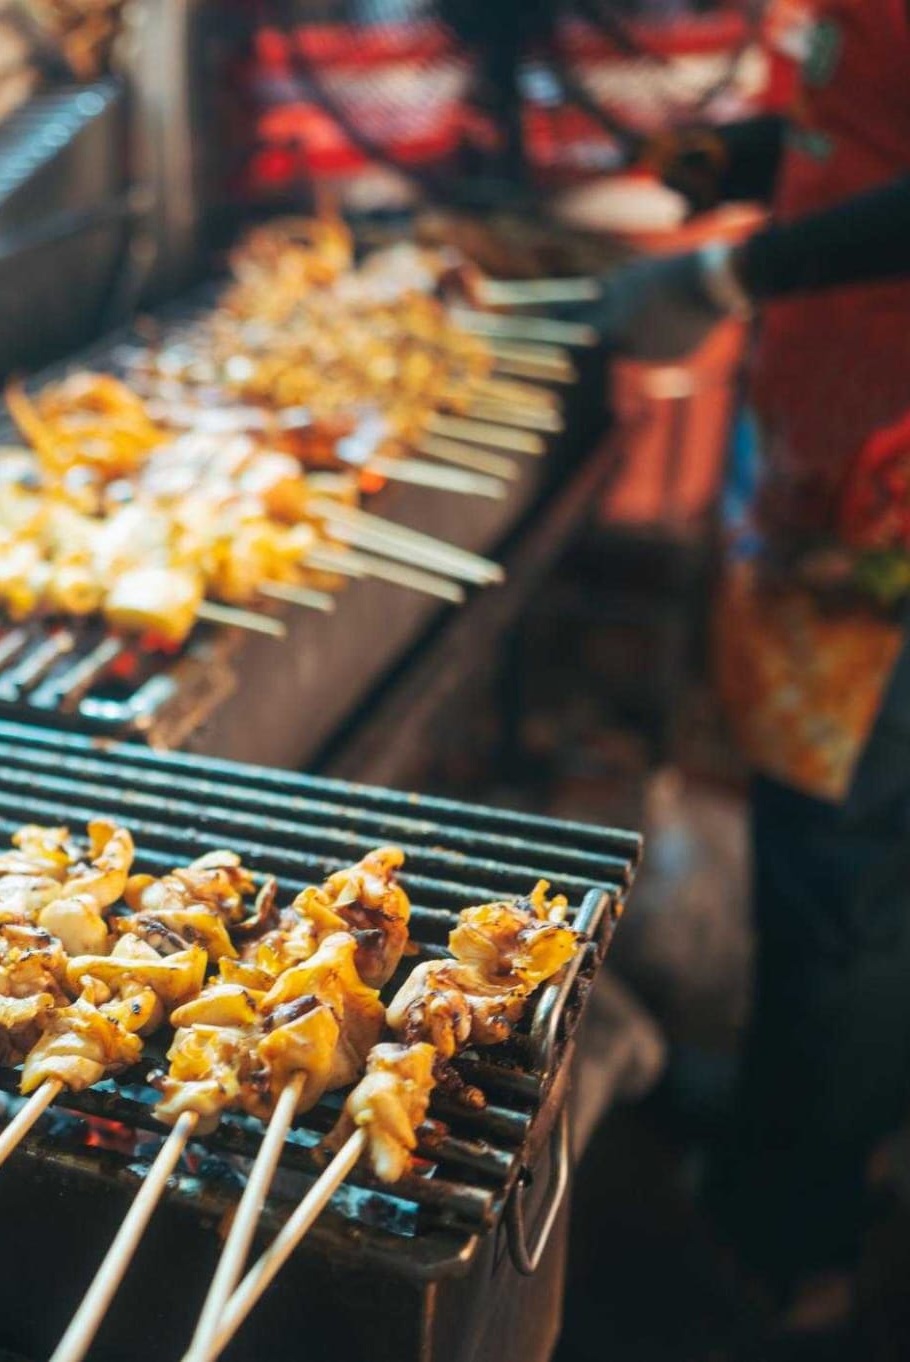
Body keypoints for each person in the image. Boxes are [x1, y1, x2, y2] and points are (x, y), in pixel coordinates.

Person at [584, 0, 910, 1346]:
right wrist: (751, 158)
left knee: (849, 876)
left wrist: (730, 275)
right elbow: (869, 136)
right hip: (826, 463)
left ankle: (801, 1237)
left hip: (893, 490)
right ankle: (785, 1123)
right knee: (809, 845)